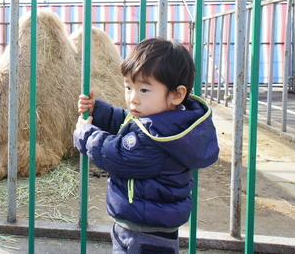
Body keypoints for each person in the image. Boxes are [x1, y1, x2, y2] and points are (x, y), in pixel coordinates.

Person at [74, 37, 219, 253]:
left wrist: (85, 134)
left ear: (176, 95)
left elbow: (116, 155)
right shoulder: (167, 122)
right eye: (128, 87)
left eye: (143, 90)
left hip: (144, 236)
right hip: (144, 227)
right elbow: (127, 122)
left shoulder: (153, 141)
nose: (133, 98)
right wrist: (99, 110)